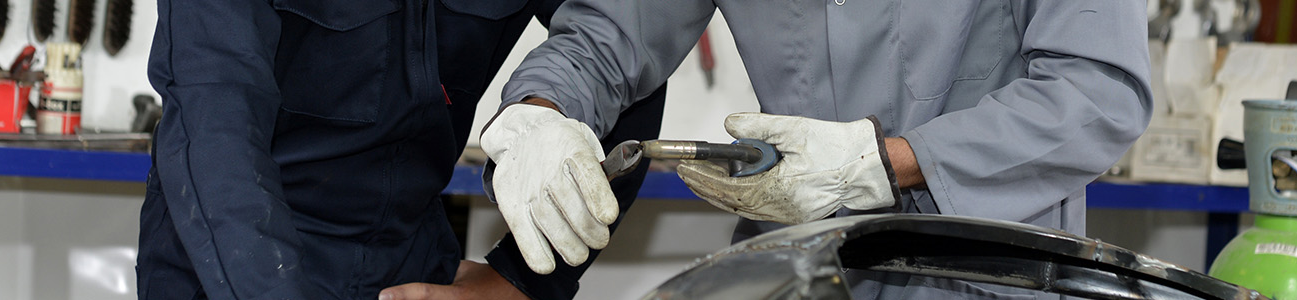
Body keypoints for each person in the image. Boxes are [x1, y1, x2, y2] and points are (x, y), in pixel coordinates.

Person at [477, 0, 1153, 299]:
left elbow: (1098, 90)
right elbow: (606, 36)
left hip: (990, 278)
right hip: (801, 275)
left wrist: (881, 164)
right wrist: (539, 115)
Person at [134, 0, 668, 298]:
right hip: (228, 264)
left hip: (408, 265)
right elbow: (216, 123)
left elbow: (620, 50)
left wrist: (521, 282)